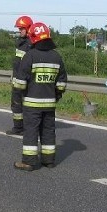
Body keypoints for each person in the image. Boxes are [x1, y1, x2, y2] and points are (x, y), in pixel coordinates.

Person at [12, 22, 67, 170]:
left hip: (32, 103)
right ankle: (48, 160)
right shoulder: (57, 57)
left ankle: (29, 161)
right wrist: (56, 95)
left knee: (31, 131)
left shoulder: (30, 55)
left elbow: (20, 82)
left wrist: (23, 93)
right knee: (48, 130)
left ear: (34, 38)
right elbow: (62, 82)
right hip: (50, 103)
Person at [6, 15, 33, 135]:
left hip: (25, 81)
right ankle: (18, 127)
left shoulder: (30, 44)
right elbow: (18, 63)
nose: (19, 31)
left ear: (28, 28)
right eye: (19, 29)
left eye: (21, 29)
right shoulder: (21, 43)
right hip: (17, 80)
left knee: (26, 105)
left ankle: (24, 128)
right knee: (16, 105)